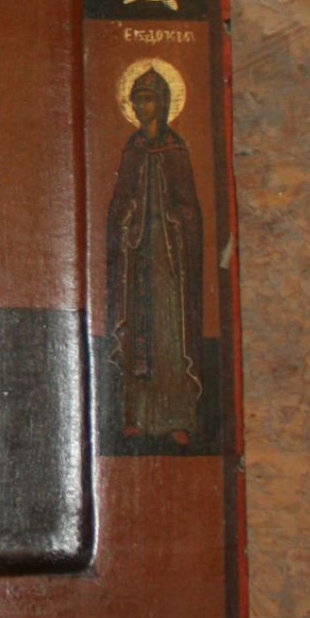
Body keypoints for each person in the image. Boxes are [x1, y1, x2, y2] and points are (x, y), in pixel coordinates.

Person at [107, 66, 204, 443]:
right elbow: (119, 201)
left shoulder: (176, 150)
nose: (140, 106)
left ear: (163, 103)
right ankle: (137, 415)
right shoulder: (132, 149)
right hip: (136, 254)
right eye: (136, 100)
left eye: (147, 99)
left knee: (169, 335)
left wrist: (176, 218)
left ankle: (177, 418)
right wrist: (126, 217)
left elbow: (189, 207)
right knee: (137, 331)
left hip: (169, 255)